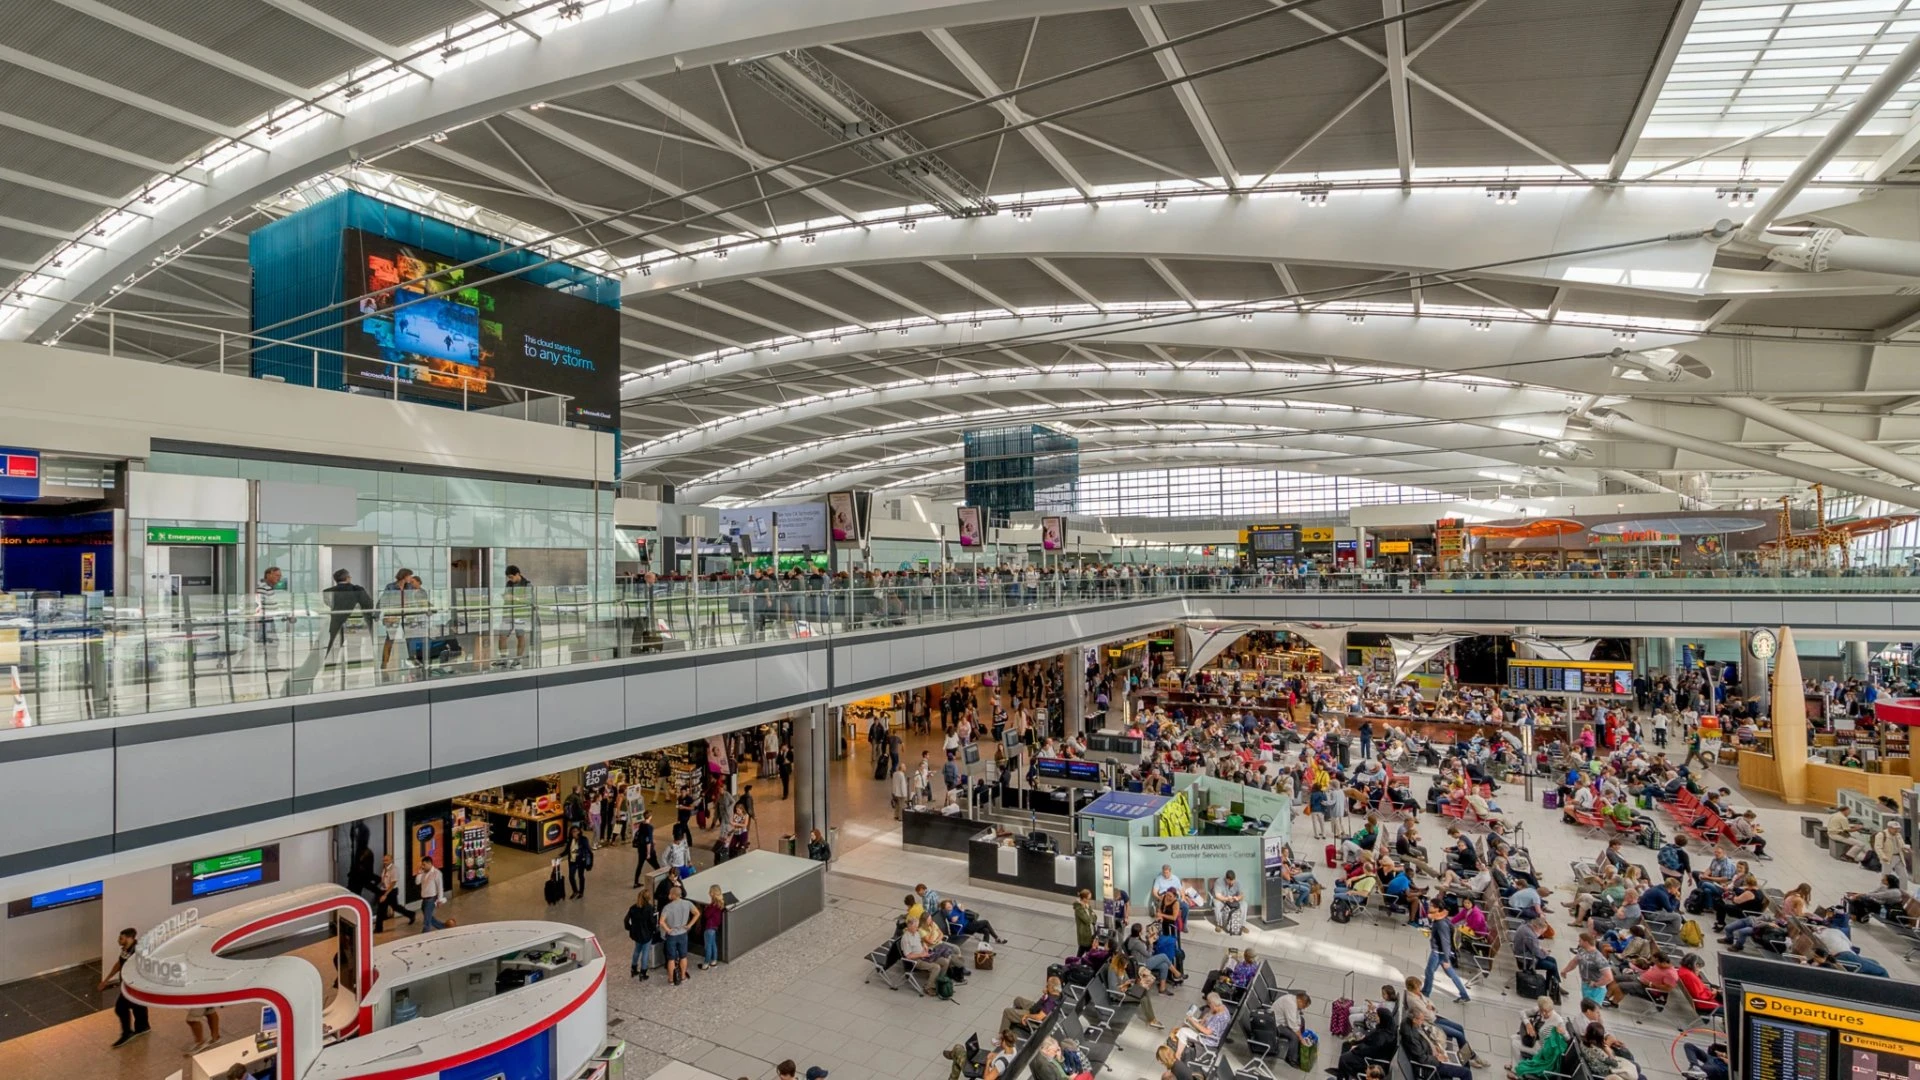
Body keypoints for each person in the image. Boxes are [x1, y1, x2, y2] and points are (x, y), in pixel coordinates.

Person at [101, 927, 150, 1048]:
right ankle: (143, 1027)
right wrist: (107, 979)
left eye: (121, 938)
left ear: (129, 938)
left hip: (134, 985)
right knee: (138, 1006)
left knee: (120, 1008)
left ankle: (127, 1032)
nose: (118, 940)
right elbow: (119, 963)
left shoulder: (138, 952)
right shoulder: (126, 950)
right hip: (127, 984)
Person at [1422, 900, 1471, 1003]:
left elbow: (1445, 942)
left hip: (1438, 953)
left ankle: (1425, 993)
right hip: (1440, 952)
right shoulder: (1441, 919)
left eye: (1431, 906)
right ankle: (1464, 995)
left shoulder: (1440, 923)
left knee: (1429, 972)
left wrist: (1446, 959)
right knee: (1450, 974)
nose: (1429, 907)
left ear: (1437, 909)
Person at [322, 568, 375, 657]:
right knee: (354, 649)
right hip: (355, 623)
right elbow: (368, 605)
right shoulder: (357, 590)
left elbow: (328, 605)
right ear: (347, 578)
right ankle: (354, 668)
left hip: (336, 623)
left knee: (333, 650)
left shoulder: (327, 592)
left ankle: (330, 668)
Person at [1170, 992, 1231, 1059]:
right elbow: (1211, 1012)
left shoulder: (1219, 1018)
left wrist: (1193, 1021)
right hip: (1208, 1030)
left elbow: (1207, 1032)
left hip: (1207, 1039)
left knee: (1183, 1031)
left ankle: (1178, 1055)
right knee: (1186, 1024)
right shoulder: (1222, 1008)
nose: (1209, 1007)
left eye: (1209, 1004)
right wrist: (1204, 1019)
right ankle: (1183, 1045)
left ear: (1213, 1004)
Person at [1510, 997, 1569, 1066]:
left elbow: (1568, 1037)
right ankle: (1515, 1064)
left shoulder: (1558, 1020)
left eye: (1547, 1011)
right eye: (1542, 1011)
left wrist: (1563, 1032)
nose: (1544, 1013)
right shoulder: (1538, 1010)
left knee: (1515, 1044)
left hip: (1542, 1048)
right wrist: (1528, 1024)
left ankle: (1517, 1071)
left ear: (1551, 1009)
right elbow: (1522, 1013)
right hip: (1535, 1040)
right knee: (1513, 1037)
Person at [659, 883, 697, 986]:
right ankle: (683, 976)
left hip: (672, 935)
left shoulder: (667, 907)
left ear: (673, 895)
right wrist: (689, 925)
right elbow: (697, 913)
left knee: (671, 958)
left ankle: (671, 979)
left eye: (670, 894)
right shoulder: (687, 903)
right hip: (683, 933)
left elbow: (661, 921)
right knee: (683, 956)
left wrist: (667, 929)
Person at [497, 564, 533, 666]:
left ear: (517, 574)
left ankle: (517, 659)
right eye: (509, 577)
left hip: (520, 614)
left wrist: (514, 598)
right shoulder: (509, 584)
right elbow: (508, 597)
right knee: (502, 636)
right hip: (508, 613)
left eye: (511, 577)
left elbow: (529, 600)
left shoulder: (527, 585)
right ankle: (503, 659)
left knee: (520, 636)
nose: (510, 579)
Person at [624, 890, 659, 980]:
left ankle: (633, 968)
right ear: (648, 898)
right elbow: (652, 922)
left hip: (636, 933)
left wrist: (629, 928)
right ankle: (643, 972)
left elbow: (626, 920)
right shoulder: (649, 909)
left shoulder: (633, 908)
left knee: (637, 950)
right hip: (646, 934)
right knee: (645, 952)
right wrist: (654, 929)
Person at [416, 858, 451, 931]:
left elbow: (440, 887)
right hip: (424, 899)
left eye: (424, 864)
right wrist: (419, 873)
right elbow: (417, 882)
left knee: (426, 921)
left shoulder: (437, 873)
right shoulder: (423, 873)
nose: (422, 866)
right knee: (428, 916)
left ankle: (425, 934)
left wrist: (439, 900)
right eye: (422, 864)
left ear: (429, 864)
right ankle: (442, 927)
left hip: (431, 899)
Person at [700, 884, 726, 970]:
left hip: (709, 926)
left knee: (708, 946)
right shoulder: (720, 903)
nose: (709, 893)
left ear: (713, 893)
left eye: (710, 891)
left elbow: (707, 915)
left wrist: (706, 908)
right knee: (713, 944)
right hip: (715, 926)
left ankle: (706, 963)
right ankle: (714, 961)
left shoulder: (713, 905)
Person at [1214, 870, 1245, 935]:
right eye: (1230, 881)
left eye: (1233, 880)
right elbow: (1217, 896)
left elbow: (1242, 895)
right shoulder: (1219, 882)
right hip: (1223, 900)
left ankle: (1241, 925)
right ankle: (1219, 924)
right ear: (1226, 879)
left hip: (1233, 901)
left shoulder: (1237, 882)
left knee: (1244, 904)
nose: (1232, 882)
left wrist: (1237, 898)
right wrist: (1227, 899)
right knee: (1216, 903)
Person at [631, 810, 658, 886]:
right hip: (647, 850)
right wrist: (649, 853)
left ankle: (636, 882)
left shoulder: (641, 825)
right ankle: (661, 879)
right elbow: (648, 841)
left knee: (639, 865)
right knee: (656, 866)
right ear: (650, 817)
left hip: (640, 848)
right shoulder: (649, 827)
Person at [567, 824, 593, 898]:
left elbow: (587, 849)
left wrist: (578, 851)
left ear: (579, 831)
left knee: (580, 876)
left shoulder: (583, 839)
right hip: (572, 861)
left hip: (581, 861)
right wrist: (560, 855)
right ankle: (575, 891)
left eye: (575, 831)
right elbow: (567, 850)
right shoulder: (570, 840)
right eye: (572, 832)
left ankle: (581, 892)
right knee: (571, 876)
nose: (574, 833)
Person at [1073, 888, 1097, 952]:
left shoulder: (1087, 905)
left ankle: (1076, 961)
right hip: (1085, 936)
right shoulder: (1079, 909)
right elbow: (1088, 920)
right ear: (1084, 899)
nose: (1090, 900)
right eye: (1089, 899)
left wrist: (1091, 917)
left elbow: (1095, 917)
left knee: (1083, 952)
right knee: (1085, 952)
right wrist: (1091, 916)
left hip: (1091, 934)